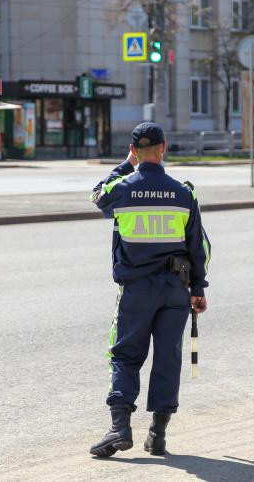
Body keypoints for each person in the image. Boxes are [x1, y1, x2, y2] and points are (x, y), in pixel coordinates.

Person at [89, 122, 211, 458]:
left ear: (135, 150)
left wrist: (126, 165)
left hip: (136, 289)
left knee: (126, 355)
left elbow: (97, 194)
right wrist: (198, 288)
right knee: (167, 357)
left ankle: (120, 427)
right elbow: (198, 246)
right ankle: (157, 435)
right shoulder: (184, 193)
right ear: (163, 148)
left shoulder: (123, 189)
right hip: (175, 289)